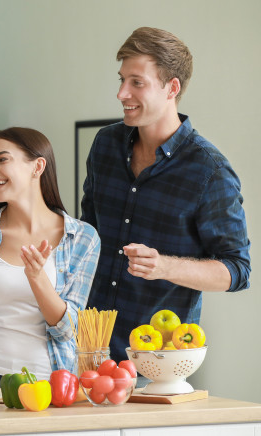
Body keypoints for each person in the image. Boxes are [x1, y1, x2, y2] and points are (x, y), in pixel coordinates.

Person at [81, 27, 251, 362]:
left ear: (171, 87)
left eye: (136, 82)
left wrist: (165, 266)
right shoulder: (105, 145)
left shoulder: (210, 171)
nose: (121, 93)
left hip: (157, 362)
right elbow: (86, 235)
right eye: (121, 79)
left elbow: (237, 270)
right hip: (86, 350)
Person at [0, 127, 100, 387]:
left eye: (2, 159)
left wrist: (37, 278)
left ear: (37, 166)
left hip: (50, 384)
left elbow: (67, 329)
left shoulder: (82, 238)